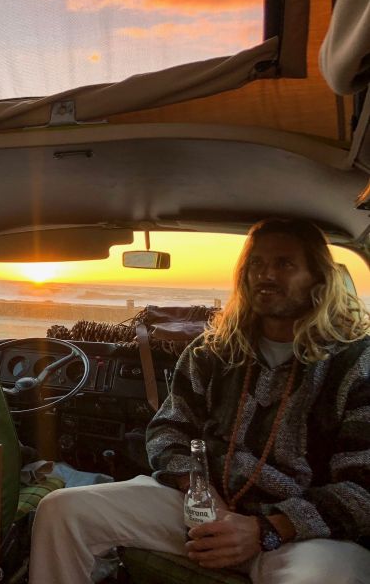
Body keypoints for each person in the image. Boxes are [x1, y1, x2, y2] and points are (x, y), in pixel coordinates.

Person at [29, 218, 370, 583]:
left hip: (299, 535)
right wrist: (202, 494)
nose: (265, 275)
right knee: (61, 509)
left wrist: (264, 529)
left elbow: (362, 489)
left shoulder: (354, 363)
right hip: (203, 509)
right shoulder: (213, 352)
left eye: (284, 264)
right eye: (256, 263)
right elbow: (167, 430)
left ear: (318, 277)